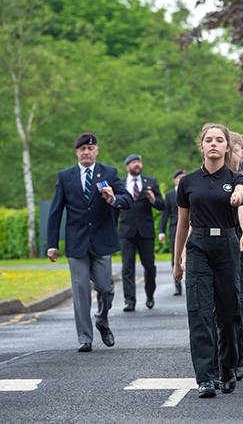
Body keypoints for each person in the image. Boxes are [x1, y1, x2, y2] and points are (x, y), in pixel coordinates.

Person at [173, 123, 243, 399]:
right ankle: (205, 377)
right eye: (209, 140)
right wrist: (176, 261)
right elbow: (182, 225)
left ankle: (227, 367)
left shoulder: (239, 179)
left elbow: (242, 197)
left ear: (227, 147)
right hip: (198, 247)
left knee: (229, 313)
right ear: (202, 146)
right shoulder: (188, 182)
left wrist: (237, 197)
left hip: (227, 246)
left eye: (220, 140)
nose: (214, 144)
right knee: (200, 312)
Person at [46, 133, 132, 352]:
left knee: (106, 288)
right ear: (76, 152)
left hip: (102, 240)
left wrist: (112, 198)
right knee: (81, 290)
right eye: (82, 148)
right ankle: (85, 337)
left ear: (97, 151)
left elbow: (127, 199)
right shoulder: (65, 177)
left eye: (90, 149)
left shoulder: (109, 173)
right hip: (77, 243)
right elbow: (56, 212)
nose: (86, 152)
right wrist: (52, 244)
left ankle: (102, 320)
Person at [117, 154, 165, 311]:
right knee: (127, 268)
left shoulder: (150, 182)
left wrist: (152, 199)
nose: (137, 164)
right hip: (126, 231)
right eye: (133, 162)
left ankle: (150, 295)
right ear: (127, 167)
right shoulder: (120, 183)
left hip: (146, 232)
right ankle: (129, 301)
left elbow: (161, 205)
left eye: (138, 162)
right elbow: (115, 207)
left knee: (149, 266)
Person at [159, 169, 186, 296]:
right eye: (178, 177)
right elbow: (165, 215)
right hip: (174, 228)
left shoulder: (189, 191)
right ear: (174, 179)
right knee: (176, 255)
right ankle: (177, 285)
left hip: (190, 227)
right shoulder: (170, 195)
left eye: (183, 177)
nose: (181, 179)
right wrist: (161, 232)